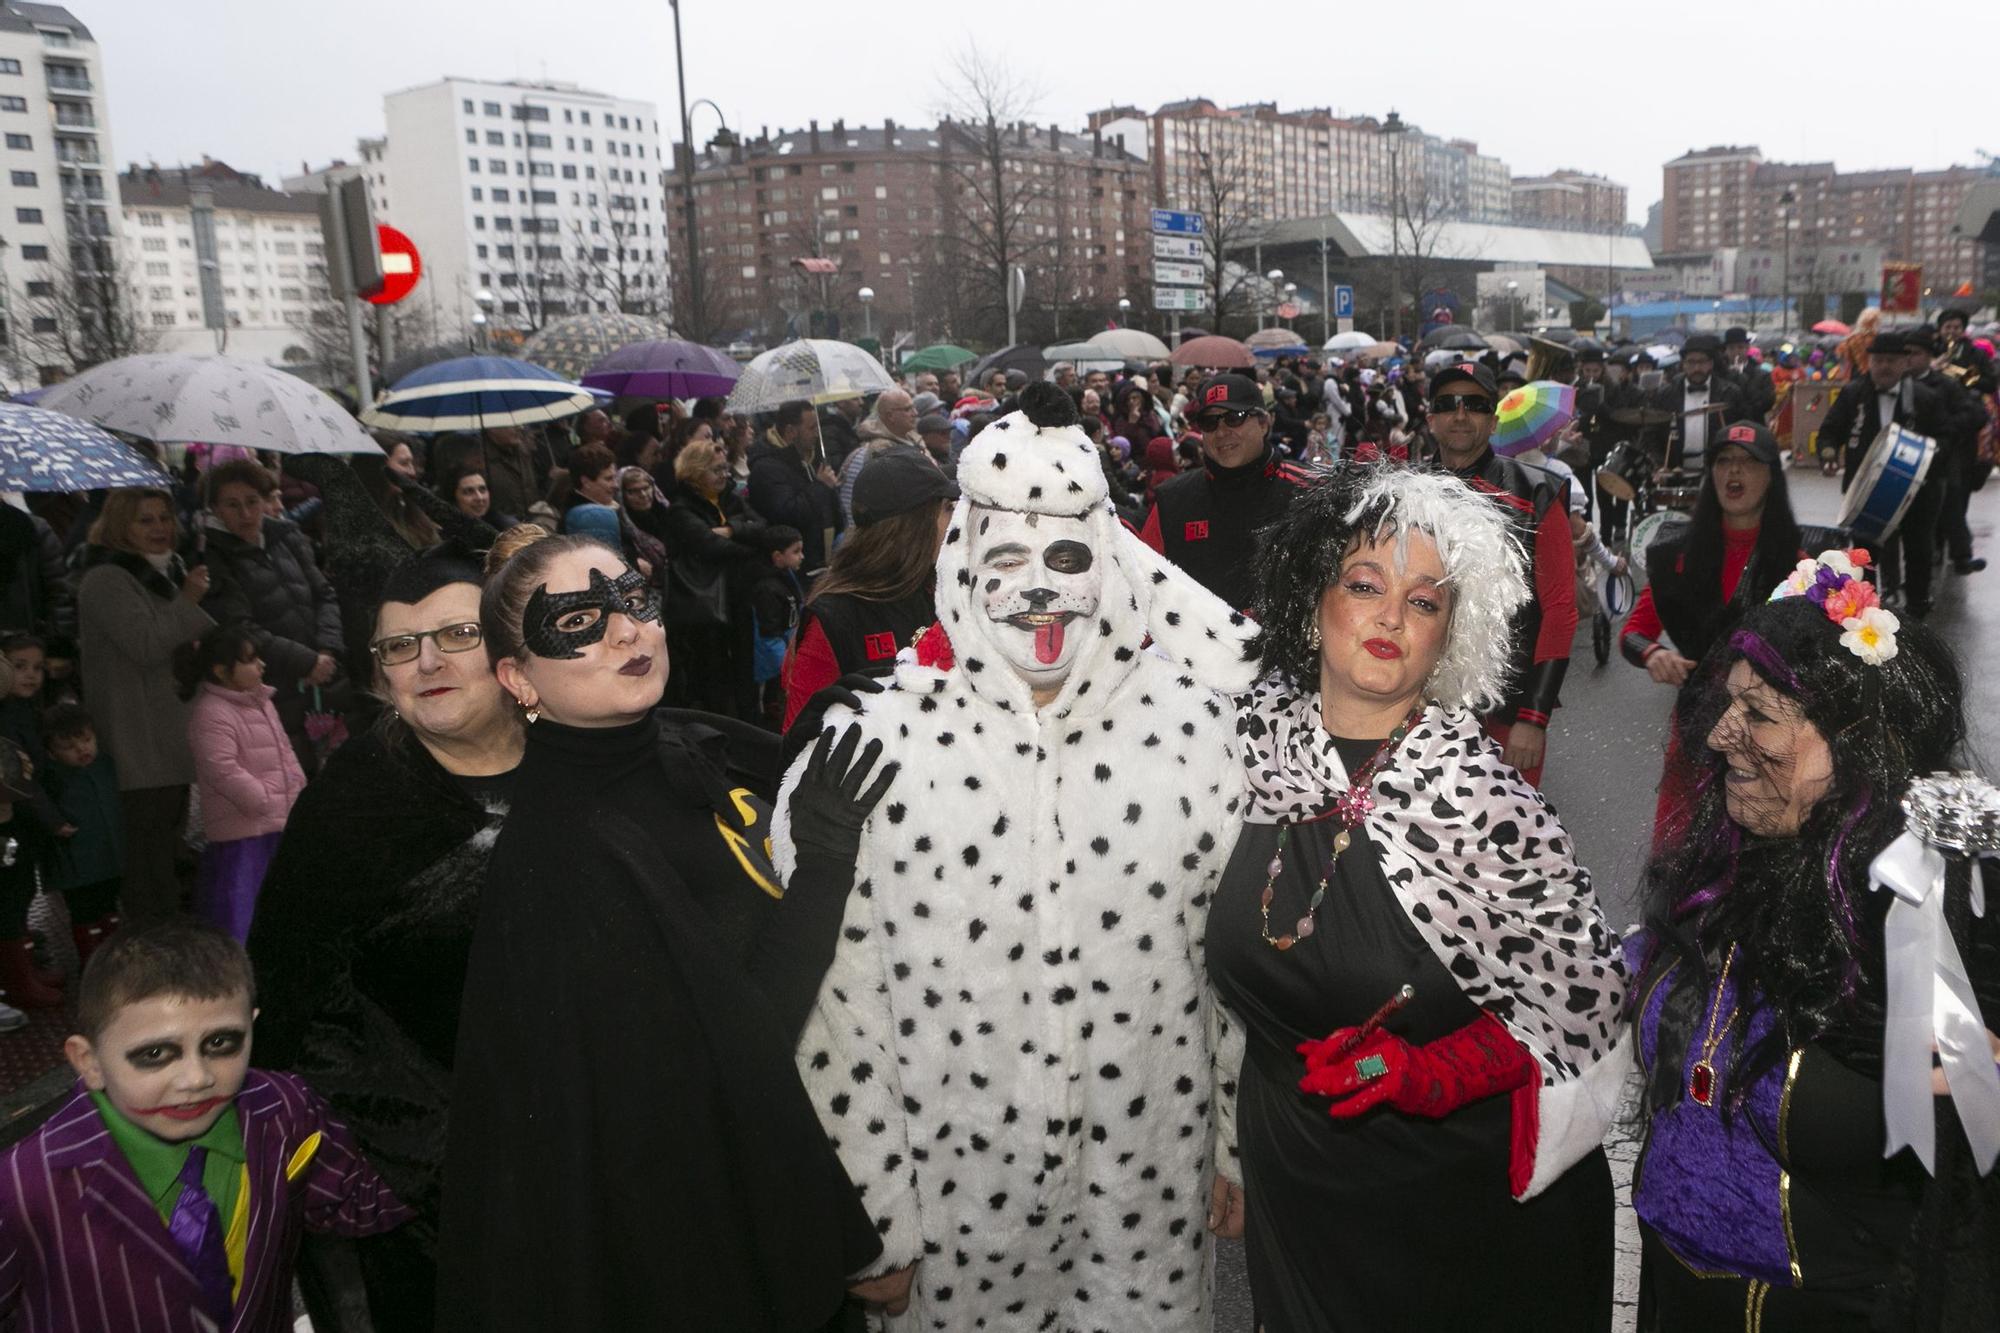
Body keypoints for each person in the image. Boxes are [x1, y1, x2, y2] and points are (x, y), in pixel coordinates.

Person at [775, 383, 1263, 1330]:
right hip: (954, 1225)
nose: (1039, 586)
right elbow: (835, 1005)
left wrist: (1235, 1140)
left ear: (1112, 566)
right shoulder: (875, 744)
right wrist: (870, 1220)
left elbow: (1234, 963)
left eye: (1068, 556)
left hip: (1147, 1198)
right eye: (1007, 556)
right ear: (961, 562)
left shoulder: (1201, 735)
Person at [435, 528, 892, 1331]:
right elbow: (742, 1034)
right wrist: (823, 866)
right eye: (575, 623)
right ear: (517, 677)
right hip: (707, 1245)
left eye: (634, 600)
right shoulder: (570, 851)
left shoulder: (681, 739)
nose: (626, 631)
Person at [1210, 463, 1629, 1332]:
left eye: (1426, 602)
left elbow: (1584, 1001)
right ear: (1311, 599)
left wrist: (1420, 1071)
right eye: (1364, 584)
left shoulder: (1480, 796)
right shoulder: (1243, 756)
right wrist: (1232, 1150)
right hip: (1297, 1185)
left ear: (1453, 635)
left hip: (1452, 1214)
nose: (1392, 616)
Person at [1629, 554, 2000, 1328]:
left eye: (1758, 714)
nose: (1721, 734)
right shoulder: (1717, 877)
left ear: (1854, 741)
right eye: (1728, 704)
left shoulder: (1925, 921)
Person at [248, 543, 522, 1330]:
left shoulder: (580, 762)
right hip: (440, 1201)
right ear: (380, 674)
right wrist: (436, 1160)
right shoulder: (351, 808)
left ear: (509, 650)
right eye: (401, 646)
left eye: (457, 634)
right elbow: (295, 1011)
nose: (428, 660)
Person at [0, 919, 410, 1331]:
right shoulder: (23, 1186)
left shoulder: (283, 1110)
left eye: (220, 1043)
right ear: (89, 1062)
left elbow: (358, 1200)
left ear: (252, 1025)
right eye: (156, 1052)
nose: (197, 1079)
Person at [1421, 361, 1574, 785]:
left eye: (1475, 404)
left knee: (1503, 845)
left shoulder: (1535, 490)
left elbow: (1561, 610)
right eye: (1448, 404)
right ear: (1431, 419)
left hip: (1507, 713)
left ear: (1493, 419)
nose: (1460, 414)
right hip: (1417, 707)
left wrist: (1534, 716)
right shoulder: (1402, 490)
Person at [78, 488, 214, 922]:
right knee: (146, 852)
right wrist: (187, 601)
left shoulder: (167, 570)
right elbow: (146, 644)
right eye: (145, 520)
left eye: (164, 517)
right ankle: (151, 944)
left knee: (167, 842)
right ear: (121, 526)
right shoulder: (107, 578)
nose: (159, 528)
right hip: (137, 734)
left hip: (168, 727)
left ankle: (169, 931)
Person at [781, 450, 958, 730]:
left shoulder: (944, 588)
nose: (956, 522)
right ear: (913, 524)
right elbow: (799, 735)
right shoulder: (835, 615)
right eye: (948, 508)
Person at [1621, 422, 1803, 683]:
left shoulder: (1800, 564)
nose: (1734, 469)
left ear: (1771, 476)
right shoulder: (1676, 555)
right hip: (1695, 715)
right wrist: (1652, 653)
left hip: (1772, 719)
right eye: (1723, 460)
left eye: (1749, 460)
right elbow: (1633, 633)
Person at [199, 459, 344, 772]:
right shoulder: (213, 557)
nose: (246, 514)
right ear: (215, 509)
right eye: (232, 505)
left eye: (253, 502)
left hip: (323, 677)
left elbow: (324, 593)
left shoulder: (287, 537)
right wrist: (305, 662)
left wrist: (326, 649)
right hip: (270, 684)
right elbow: (239, 626)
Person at [1140, 373, 1316, 612]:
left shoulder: (1310, 490)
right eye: (1209, 423)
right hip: (1195, 645)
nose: (1221, 432)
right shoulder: (1173, 501)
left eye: (1235, 418)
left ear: (1264, 423)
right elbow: (1140, 587)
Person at [181, 625, 304, 943]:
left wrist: (299, 788)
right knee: (242, 911)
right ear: (222, 671)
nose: (261, 665)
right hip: (244, 833)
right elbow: (221, 768)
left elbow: (284, 751)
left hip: (277, 822)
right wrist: (260, 799)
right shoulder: (211, 713)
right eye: (250, 660)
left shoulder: (262, 701)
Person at [1818, 329, 1949, 616]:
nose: (1885, 366)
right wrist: (1827, 454)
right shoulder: (1853, 394)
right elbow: (1829, 432)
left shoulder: (1925, 397)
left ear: (1904, 363)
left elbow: (1946, 437)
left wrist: (1930, 458)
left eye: (1891, 360)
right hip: (1867, 495)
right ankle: (1868, 612)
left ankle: (1917, 611)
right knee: (1865, 557)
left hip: (1916, 492)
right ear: (1869, 362)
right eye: (1878, 360)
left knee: (1918, 551)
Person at [662, 438, 763, 716]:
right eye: (716, 470)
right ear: (695, 473)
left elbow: (764, 528)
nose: (723, 476)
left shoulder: (731, 498)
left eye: (725, 469)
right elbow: (709, 546)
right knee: (712, 671)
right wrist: (748, 541)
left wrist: (731, 530)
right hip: (705, 605)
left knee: (745, 665)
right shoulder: (681, 509)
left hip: (739, 595)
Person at [1901, 325, 1988, 576]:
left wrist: (1948, 429)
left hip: (1940, 456)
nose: (1908, 359)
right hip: (1905, 458)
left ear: (1928, 355)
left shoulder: (1946, 384)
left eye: (1914, 353)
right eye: (1905, 353)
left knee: (1950, 504)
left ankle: (1961, 557)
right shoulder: (1897, 382)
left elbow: (1976, 413)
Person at [41, 702, 124, 965]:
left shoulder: (107, 765)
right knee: (83, 912)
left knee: (110, 905)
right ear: (52, 753)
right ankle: (91, 959)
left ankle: (114, 954)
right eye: (69, 747)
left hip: (108, 858)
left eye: (87, 740)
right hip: (74, 867)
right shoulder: (51, 780)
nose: (82, 749)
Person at [749, 400, 841, 576]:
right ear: (791, 431)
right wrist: (820, 486)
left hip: (822, 559)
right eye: (812, 428)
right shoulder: (766, 468)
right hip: (798, 566)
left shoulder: (811, 456)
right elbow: (787, 513)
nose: (817, 434)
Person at [1646, 333, 1749, 471]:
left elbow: (1742, 431)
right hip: (1674, 472)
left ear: (1711, 363)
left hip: (1718, 471)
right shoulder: (1665, 395)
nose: (1697, 368)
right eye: (1691, 362)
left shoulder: (1730, 393)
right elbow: (1651, 434)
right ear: (1683, 364)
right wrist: (1659, 465)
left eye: (1702, 362)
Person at [835, 388, 925, 530]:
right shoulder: (881, 450)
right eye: (908, 409)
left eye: (914, 407)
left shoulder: (913, 438)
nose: (915, 413)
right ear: (890, 416)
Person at [445, 466, 514, 530]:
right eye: (469, 491)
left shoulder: (508, 527)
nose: (480, 498)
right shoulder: (442, 533)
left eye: (482, 490)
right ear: (454, 497)